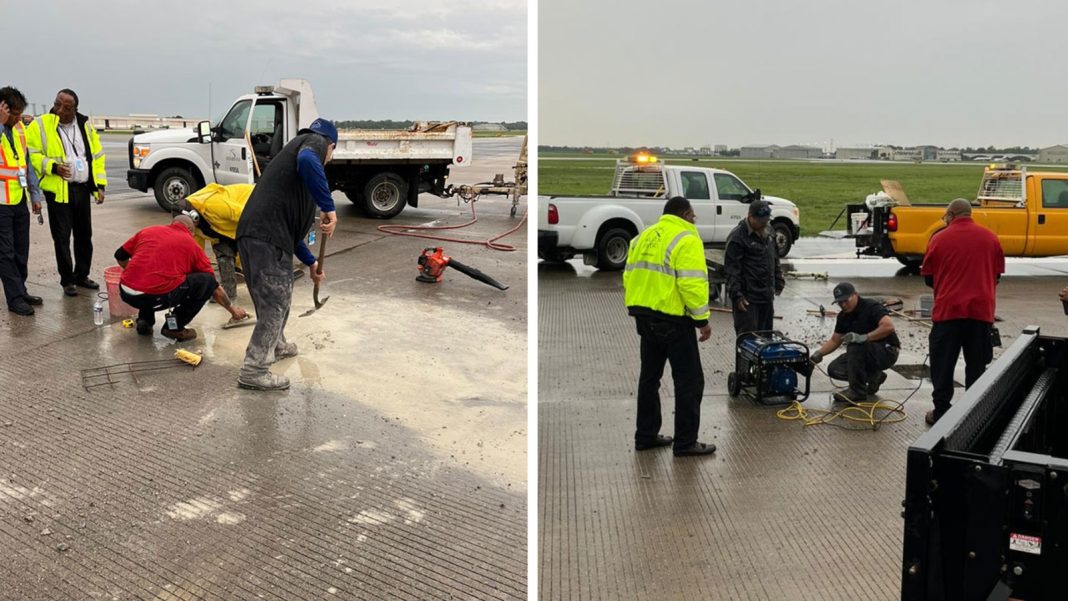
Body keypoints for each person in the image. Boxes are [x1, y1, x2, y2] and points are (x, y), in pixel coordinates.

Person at [235, 118, 338, 391]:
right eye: (331, 154)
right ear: (331, 146)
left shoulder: (297, 180)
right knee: (275, 300)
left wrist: (312, 263)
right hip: (264, 236)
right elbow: (308, 160)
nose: (327, 159)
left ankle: (276, 344)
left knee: (277, 294)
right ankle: (254, 370)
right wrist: (329, 206)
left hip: (262, 236)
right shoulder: (312, 143)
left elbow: (293, 239)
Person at [623, 196, 715, 457]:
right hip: (674, 319)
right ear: (685, 214)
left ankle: (646, 435)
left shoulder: (643, 237)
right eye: (693, 215)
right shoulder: (686, 238)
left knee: (649, 378)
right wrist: (702, 320)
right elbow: (691, 283)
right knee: (689, 381)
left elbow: (628, 275)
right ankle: (685, 443)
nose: (694, 220)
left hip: (643, 316)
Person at [921, 198, 1004, 425]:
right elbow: (997, 275)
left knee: (942, 366)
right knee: (977, 366)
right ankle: (973, 415)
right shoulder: (991, 238)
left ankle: (941, 412)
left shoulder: (939, 239)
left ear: (951, 214)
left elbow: (928, 276)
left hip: (949, 312)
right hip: (981, 313)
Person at [25, 88, 106, 297]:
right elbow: (33, 155)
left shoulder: (84, 125)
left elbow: (96, 157)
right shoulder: (41, 124)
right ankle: (67, 280)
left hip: (82, 189)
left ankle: (82, 275)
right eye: (57, 104)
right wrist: (52, 166)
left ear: (75, 109)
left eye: (66, 108)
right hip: (59, 191)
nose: (60, 110)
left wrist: (99, 186)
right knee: (61, 238)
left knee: (84, 235)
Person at [115, 215, 248, 341]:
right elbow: (214, 287)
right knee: (206, 281)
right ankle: (174, 328)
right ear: (191, 230)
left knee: (151, 278)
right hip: (155, 297)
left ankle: (145, 321)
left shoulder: (148, 231)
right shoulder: (191, 244)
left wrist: (135, 274)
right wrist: (233, 311)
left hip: (125, 292)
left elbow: (120, 255)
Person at [809, 282, 900, 403]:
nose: (843, 305)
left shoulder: (871, 306)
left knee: (854, 346)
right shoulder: (843, 317)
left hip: (887, 351)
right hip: (864, 352)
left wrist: (864, 337)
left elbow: (888, 327)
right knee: (835, 369)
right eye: (840, 302)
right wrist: (818, 354)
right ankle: (874, 377)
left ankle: (857, 392)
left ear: (855, 295)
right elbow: (835, 340)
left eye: (846, 300)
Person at [0, 88, 45, 316]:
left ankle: (21, 288)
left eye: (20, 113)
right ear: (3, 109)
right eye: (14, 113)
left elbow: (25, 164)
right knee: (5, 252)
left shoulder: (18, 128)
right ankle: (14, 297)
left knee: (21, 249)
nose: (19, 118)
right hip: (0, 203)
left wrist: (35, 195)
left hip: (18, 199)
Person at [179, 183, 255, 300]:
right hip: (228, 229)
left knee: (257, 253)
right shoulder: (193, 227)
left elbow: (247, 216)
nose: (189, 229)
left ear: (194, 216)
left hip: (251, 206)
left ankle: (268, 287)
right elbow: (196, 253)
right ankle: (228, 294)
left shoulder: (215, 205)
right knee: (223, 253)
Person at [724, 199, 784, 336]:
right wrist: (737, 296)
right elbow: (731, 270)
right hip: (748, 300)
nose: (765, 224)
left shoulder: (769, 232)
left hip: (766, 298)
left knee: (766, 340)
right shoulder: (737, 238)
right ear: (751, 217)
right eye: (761, 221)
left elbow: (774, 257)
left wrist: (778, 278)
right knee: (748, 342)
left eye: (767, 220)